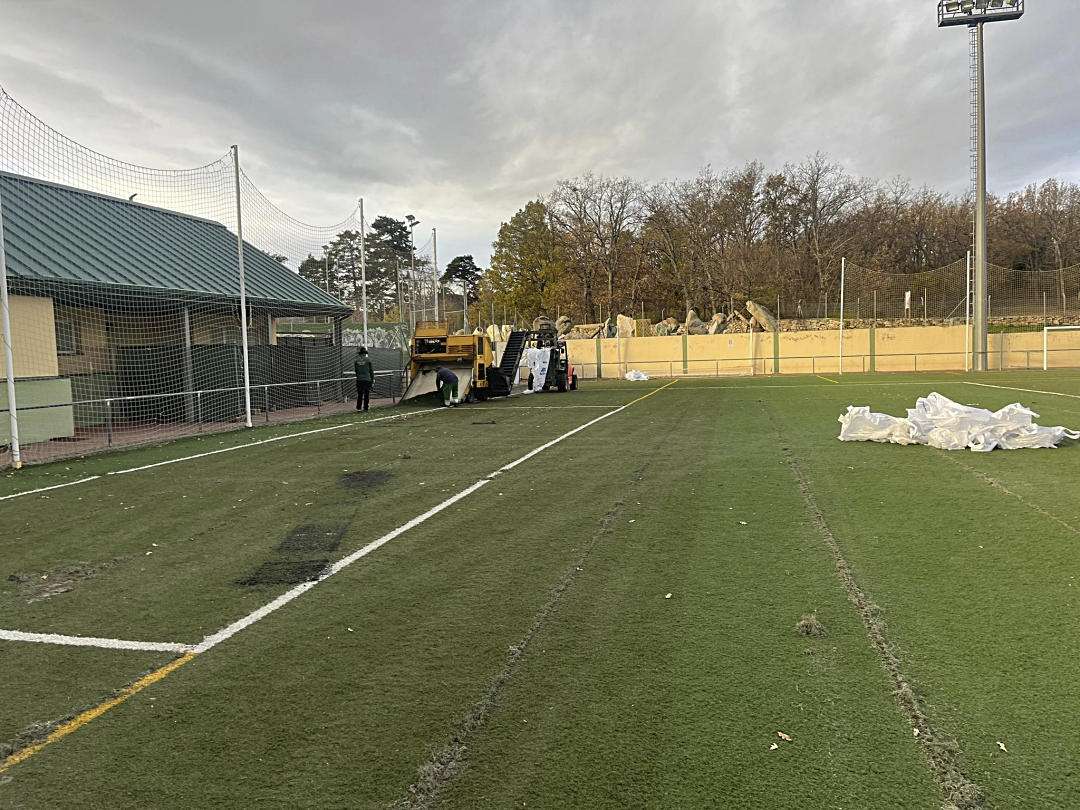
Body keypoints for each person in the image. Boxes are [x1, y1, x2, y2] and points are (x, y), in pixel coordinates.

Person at [354, 347, 374, 412]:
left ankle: (358, 408)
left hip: (359, 379)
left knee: (360, 394)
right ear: (365, 353)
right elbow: (371, 371)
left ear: (360, 354)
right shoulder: (368, 360)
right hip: (367, 379)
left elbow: (356, 371)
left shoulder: (356, 361)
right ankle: (365, 408)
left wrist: (359, 377)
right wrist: (372, 379)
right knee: (366, 394)